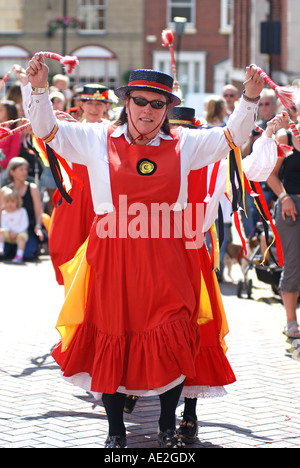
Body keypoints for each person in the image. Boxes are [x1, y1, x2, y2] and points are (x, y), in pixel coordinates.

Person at [26, 53, 264, 448]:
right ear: (127, 101)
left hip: (167, 260)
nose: (148, 110)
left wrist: (250, 99)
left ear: (169, 108)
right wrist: (38, 89)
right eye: (141, 100)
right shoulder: (97, 137)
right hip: (113, 261)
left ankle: (168, 425)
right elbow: (47, 130)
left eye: (158, 103)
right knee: (114, 339)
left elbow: (231, 138)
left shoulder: (184, 144)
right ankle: (116, 431)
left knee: (174, 336)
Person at [47, 83, 110, 284]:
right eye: (89, 102)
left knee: (103, 254)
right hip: (75, 196)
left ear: (106, 106)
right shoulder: (70, 129)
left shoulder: (113, 131)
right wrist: (29, 88)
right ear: (80, 104)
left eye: (99, 103)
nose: (94, 108)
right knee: (65, 247)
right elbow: (42, 129)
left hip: (103, 196)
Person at [267, 118, 300, 339]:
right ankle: (291, 320)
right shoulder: (284, 137)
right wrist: (284, 197)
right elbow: (270, 174)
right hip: (290, 206)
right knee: (293, 264)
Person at [0, 157, 44, 260]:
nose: (25, 172)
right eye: (21, 169)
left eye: (26, 169)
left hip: (26, 230)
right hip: (8, 229)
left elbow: (39, 212)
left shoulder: (32, 188)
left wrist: (38, 227)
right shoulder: (4, 191)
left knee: (28, 255)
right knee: (4, 254)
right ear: (12, 172)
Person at [0, 186, 29, 263]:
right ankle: (1, 247)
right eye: (7, 201)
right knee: (1, 232)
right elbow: (3, 225)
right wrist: (9, 232)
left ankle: (19, 255)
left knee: (22, 237)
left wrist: (16, 232)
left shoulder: (22, 211)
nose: (10, 204)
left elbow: (24, 225)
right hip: (8, 233)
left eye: (12, 201)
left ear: (17, 201)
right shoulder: (4, 213)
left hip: (19, 233)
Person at [0, 99, 22, 183]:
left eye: (1, 110)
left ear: (9, 112)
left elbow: (14, 152)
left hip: (5, 169)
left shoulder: (14, 132)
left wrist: (3, 164)